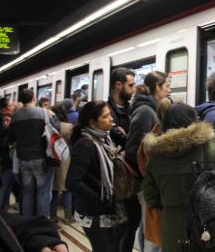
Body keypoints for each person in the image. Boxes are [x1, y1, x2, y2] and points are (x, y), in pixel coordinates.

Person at [142, 103, 215, 252]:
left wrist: (171, 205)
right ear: (193, 122)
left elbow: (150, 197)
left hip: (172, 230)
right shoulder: (211, 148)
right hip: (209, 227)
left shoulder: (155, 156)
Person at [0, 158, 68, 251]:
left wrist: (34, 234)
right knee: (42, 192)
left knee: (29, 192)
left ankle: (29, 216)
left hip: (23, 159)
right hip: (38, 159)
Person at [66, 100, 126, 252]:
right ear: (93, 122)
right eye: (106, 117)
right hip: (94, 212)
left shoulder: (104, 139)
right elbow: (72, 182)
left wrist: (122, 138)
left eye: (110, 115)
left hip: (106, 210)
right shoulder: (85, 145)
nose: (111, 119)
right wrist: (98, 199)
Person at [121, 71, 170, 252]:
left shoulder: (151, 109)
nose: (169, 91)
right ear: (157, 87)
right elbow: (134, 149)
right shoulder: (145, 111)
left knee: (148, 224)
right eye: (167, 87)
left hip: (149, 179)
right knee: (149, 225)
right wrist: (150, 173)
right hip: (145, 180)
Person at [9, 88, 55, 218]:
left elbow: (11, 139)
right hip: (40, 158)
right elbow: (53, 133)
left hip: (23, 159)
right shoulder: (44, 113)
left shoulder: (15, 116)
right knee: (42, 191)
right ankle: (41, 223)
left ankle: (27, 221)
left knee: (27, 191)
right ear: (33, 98)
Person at [0, 97, 21, 211]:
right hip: (7, 159)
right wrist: (7, 129)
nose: (13, 107)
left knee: (9, 187)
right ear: (3, 109)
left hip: (7, 159)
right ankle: (3, 212)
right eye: (10, 105)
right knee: (6, 186)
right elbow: (3, 142)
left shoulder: (0, 119)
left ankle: (4, 210)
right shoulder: (4, 120)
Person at [50, 103, 74, 224]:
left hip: (53, 159)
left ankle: (53, 216)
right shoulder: (68, 127)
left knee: (53, 190)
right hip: (66, 159)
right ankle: (68, 216)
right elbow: (72, 143)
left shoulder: (49, 127)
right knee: (67, 189)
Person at [107, 67, 135, 149]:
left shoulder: (132, 109)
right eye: (130, 85)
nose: (133, 90)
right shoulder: (106, 112)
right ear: (118, 85)